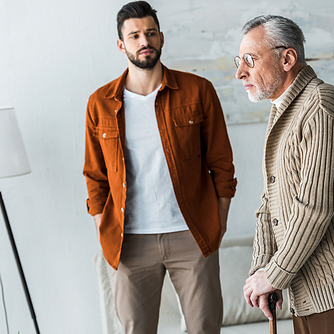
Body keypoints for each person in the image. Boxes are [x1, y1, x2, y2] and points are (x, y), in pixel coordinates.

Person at [83, 2, 237, 333]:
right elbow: (95, 176)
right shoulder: (100, 103)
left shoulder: (198, 91)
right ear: (121, 45)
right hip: (130, 241)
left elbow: (222, 165)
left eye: (150, 33)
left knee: (205, 328)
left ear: (162, 38)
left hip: (192, 235)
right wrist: (101, 225)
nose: (144, 41)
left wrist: (219, 222)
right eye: (135, 35)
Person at [236, 15, 334, 334]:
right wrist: (263, 269)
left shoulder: (323, 107)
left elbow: (314, 210)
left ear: (287, 58)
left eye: (250, 59)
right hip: (305, 288)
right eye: (240, 61)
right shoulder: (283, 113)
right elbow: (270, 201)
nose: (240, 72)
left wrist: (274, 274)